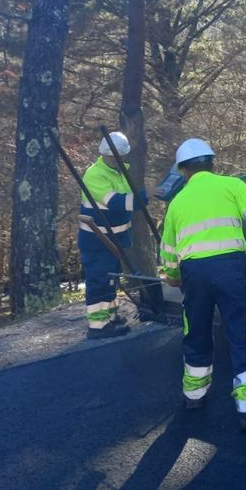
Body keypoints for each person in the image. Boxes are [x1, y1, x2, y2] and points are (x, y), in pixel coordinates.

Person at [158, 138, 246, 432]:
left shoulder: (177, 203)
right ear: (212, 163)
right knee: (242, 332)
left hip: (194, 273)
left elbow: (168, 249)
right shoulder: (233, 186)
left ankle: (194, 396)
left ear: (183, 171)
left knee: (196, 329)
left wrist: (173, 276)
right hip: (233, 270)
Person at [79, 131, 148, 339]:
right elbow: (117, 203)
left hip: (115, 240)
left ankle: (111, 316)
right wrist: (145, 196)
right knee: (100, 280)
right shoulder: (95, 174)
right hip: (98, 241)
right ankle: (98, 326)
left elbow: (125, 200)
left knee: (112, 279)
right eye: (113, 156)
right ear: (105, 154)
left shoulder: (118, 172)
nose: (117, 160)